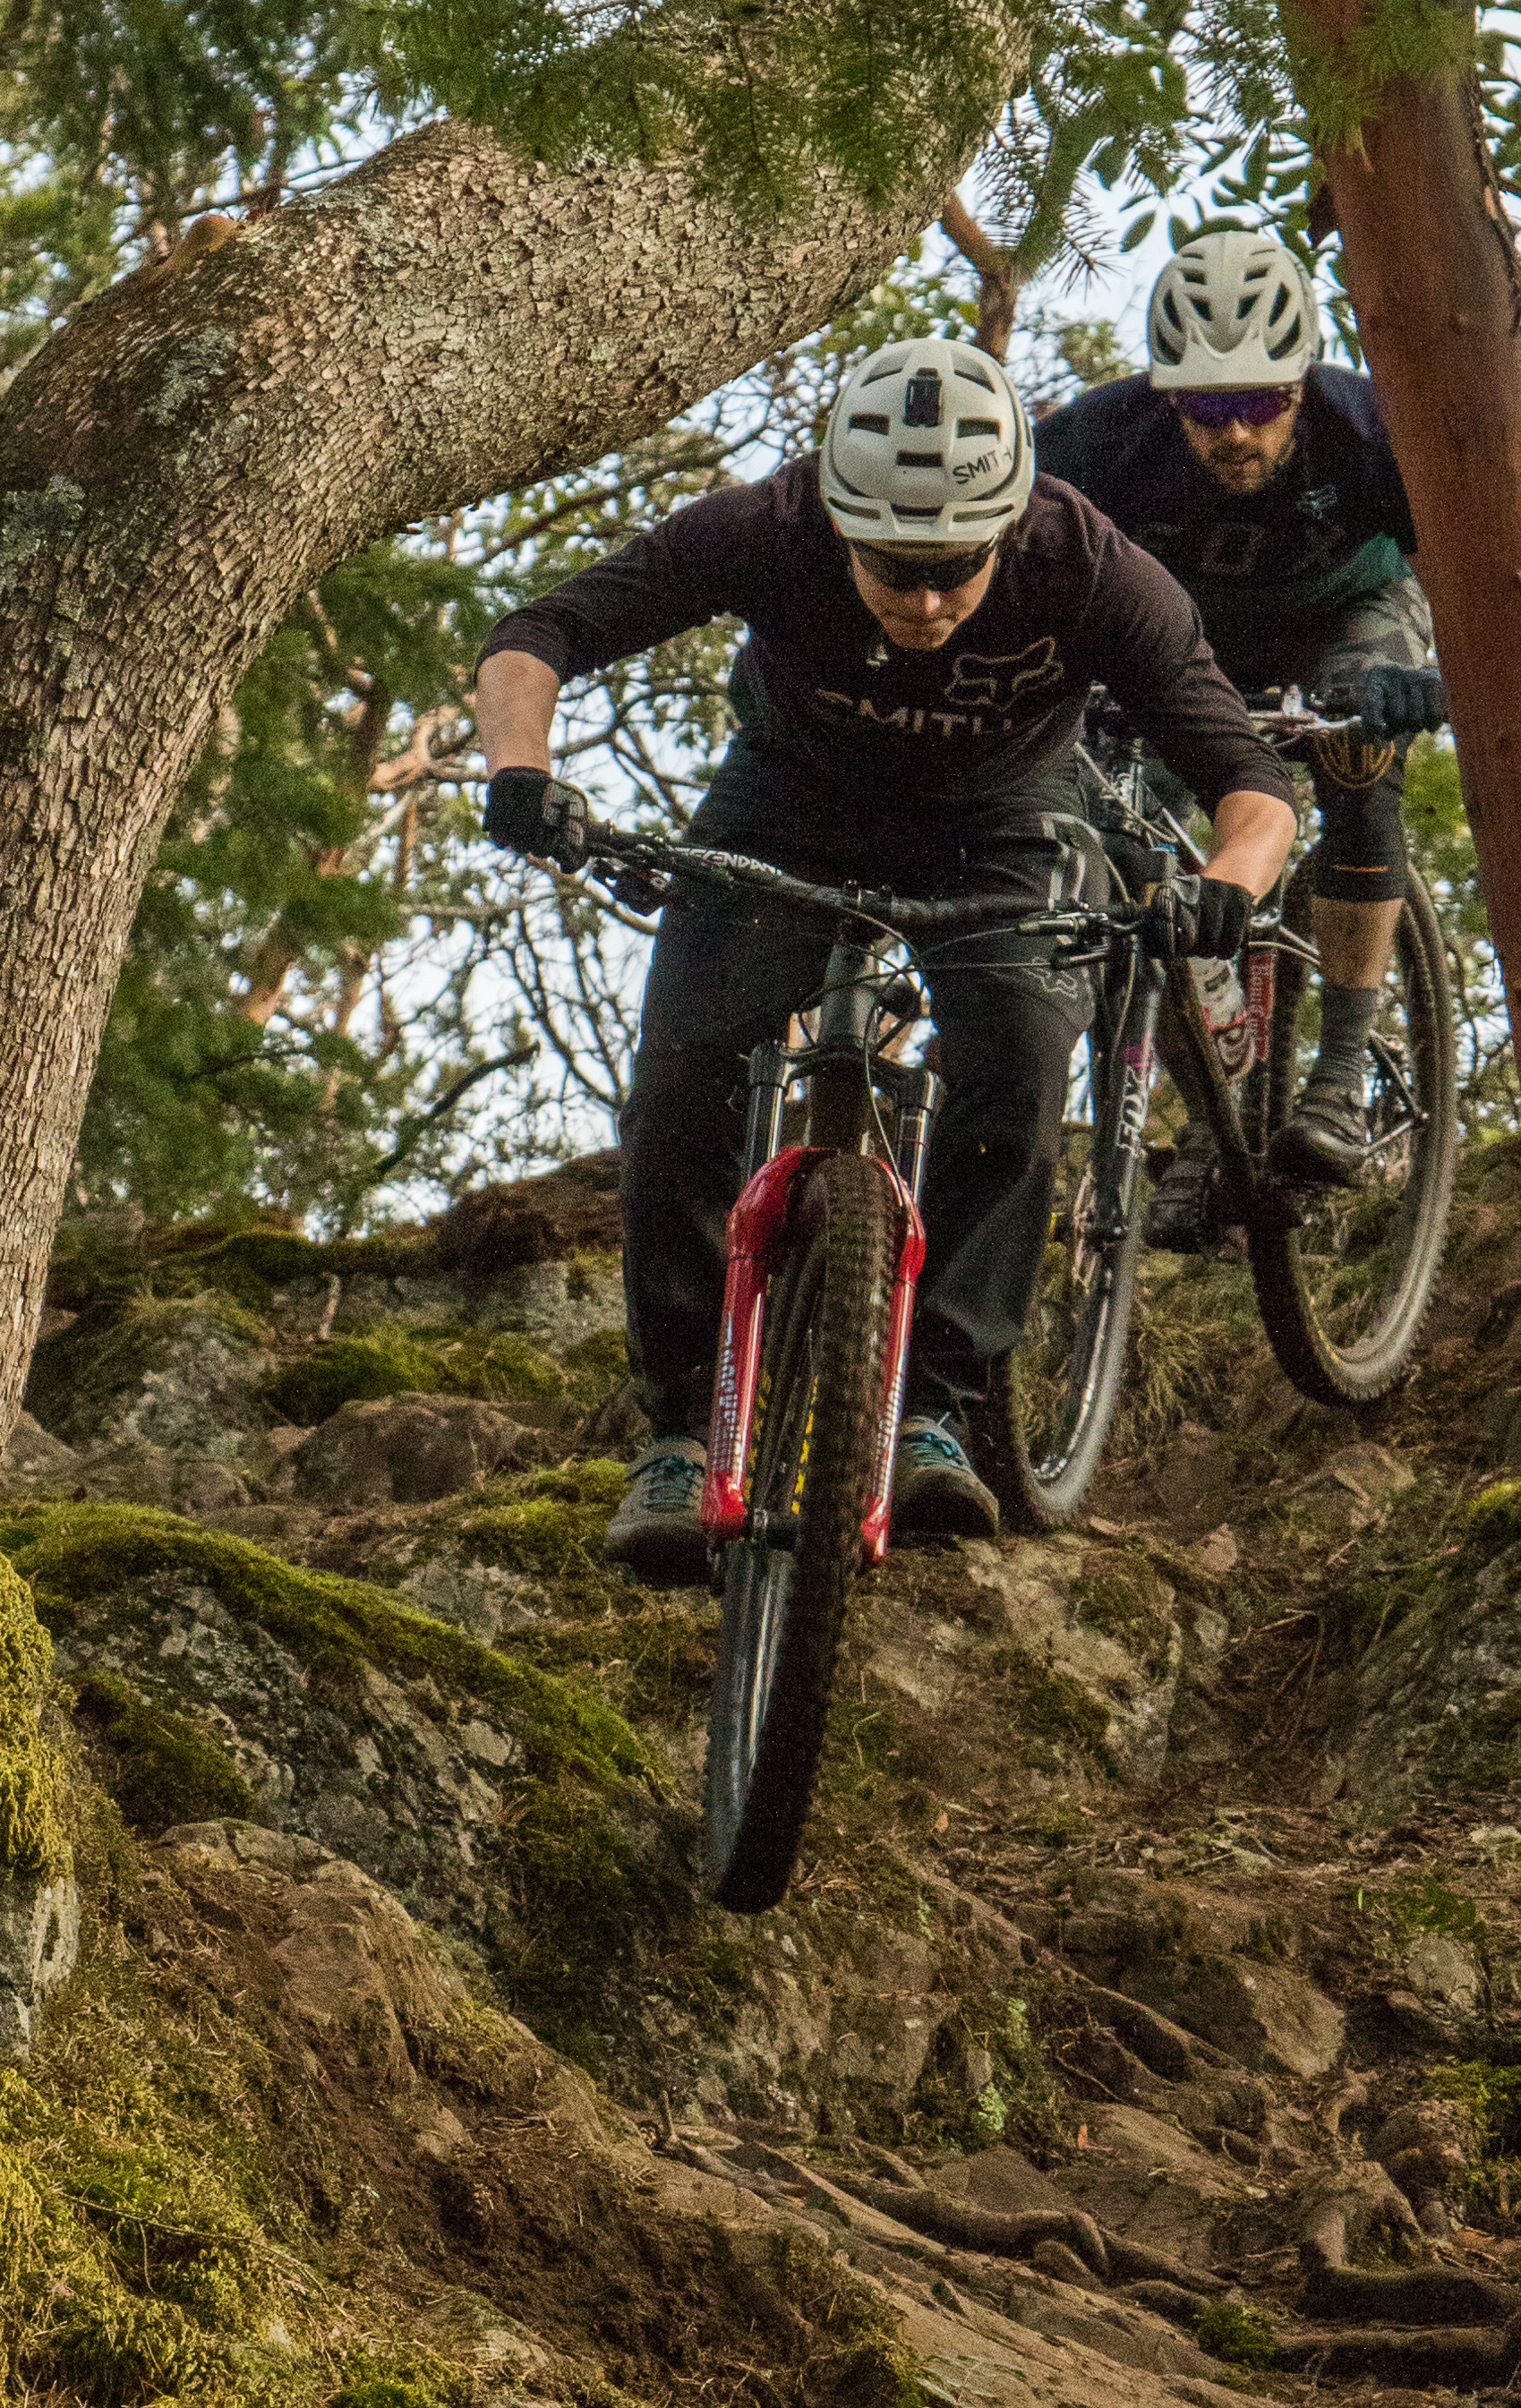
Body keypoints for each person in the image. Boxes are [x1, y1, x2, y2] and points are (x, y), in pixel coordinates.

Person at [471, 333, 1297, 1584]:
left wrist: (1227, 888)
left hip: (1003, 826)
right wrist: (520, 772)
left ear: (1006, 527)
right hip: (787, 806)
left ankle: (938, 1412)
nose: (924, 604)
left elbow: (1251, 782)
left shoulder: (1089, 567)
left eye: (955, 570)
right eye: (895, 570)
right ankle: (681, 1433)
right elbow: (541, 633)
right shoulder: (768, 527)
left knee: (1019, 1060)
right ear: (839, 522)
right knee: (684, 1075)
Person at [1034, 224, 1447, 1214]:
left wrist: (1432, 681)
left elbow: (1474, 576)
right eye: (1206, 407)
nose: (1235, 434)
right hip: (1181, 642)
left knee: (1358, 759)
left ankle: (1341, 1072)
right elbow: (1017, 579)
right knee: (1120, 838)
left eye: (1261, 403)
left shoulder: (1371, 430)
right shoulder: (1095, 443)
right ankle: (1214, 1108)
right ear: (1167, 395)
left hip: (1346, 619)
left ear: (1301, 384)